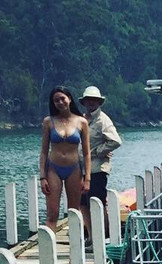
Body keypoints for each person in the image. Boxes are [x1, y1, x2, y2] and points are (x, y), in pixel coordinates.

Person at [39, 86, 91, 230]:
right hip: (53, 169)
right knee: (52, 213)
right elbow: (43, 152)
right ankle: (48, 248)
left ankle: (75, 247)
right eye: (56, 101)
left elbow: (87, 153)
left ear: (69, 99)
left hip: (74, 168)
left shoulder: (81, 122)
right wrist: (42, 177)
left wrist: (87, 179)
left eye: (62, 99)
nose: (60, 102)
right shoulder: (48, 122)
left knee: (74, 211)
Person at [78, 86, 123, 224]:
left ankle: (104, 236)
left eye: (94, 100)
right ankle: (92, 236)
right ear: (84, 102)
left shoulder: (103, 120)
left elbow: (115, 141)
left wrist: (98, 151)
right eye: (88, 100)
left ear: (99, 102)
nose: (91, 102)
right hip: (81, 169)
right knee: (83, 203)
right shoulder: (82, 119)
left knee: (97, 203)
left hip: (97, 169)